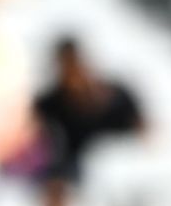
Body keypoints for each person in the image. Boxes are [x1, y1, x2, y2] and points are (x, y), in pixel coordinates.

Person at [28, 36, 144, 182]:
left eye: (76, 65)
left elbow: (145, 135)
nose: (74, 75)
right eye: (67, 67)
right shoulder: (48, 105)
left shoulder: (117, 95)